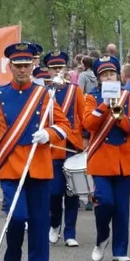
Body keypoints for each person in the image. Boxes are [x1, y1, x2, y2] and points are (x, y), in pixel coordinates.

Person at [0, 42, 70, 261]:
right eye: (17, 66)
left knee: (40, 222)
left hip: (39, 165)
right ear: (10, 66)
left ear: (33, 65)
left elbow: (64, 126)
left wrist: (48, 134)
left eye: (26, 65)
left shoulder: (44, 94)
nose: (22, 70)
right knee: (17, 217)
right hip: (11, 167)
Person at [82, 55, 130, 261]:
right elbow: (88, 124)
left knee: (122, 207)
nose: (108, 78)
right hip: (101, 158)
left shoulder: (128, 96)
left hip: (125, 159)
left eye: (111, 74)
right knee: (105, 201)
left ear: (118, 76)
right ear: (99, 79)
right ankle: (102, 238)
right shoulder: (91, 97)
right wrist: (104, 106)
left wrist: (120, 116)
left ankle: (120, 250)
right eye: (104, 75)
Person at [41, 51, 83, 247]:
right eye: (54, 68)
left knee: (72, 192)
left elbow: (83, 118)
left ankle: (70, 233)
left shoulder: (75, 91)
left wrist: (86, 145)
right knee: (55, 192)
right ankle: (54, 224)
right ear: (47, 70)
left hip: (72, 146)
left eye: (60, 67)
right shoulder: (42, 91)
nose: (57, 71)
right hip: (52, 146)